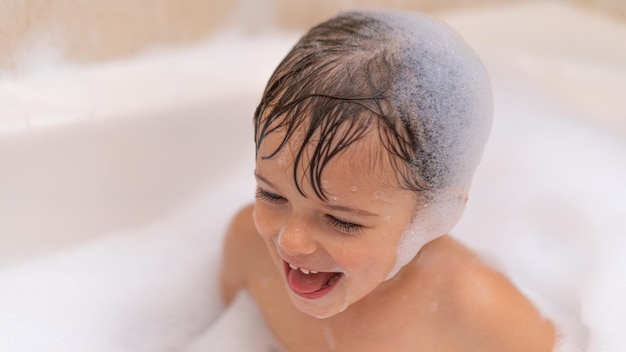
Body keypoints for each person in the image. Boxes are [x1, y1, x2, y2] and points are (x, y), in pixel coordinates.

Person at [220, 9, 555, 351]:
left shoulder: (481, 314)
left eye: (341, 220)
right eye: (272, 195)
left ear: (435, 213)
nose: (291, 242)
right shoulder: (247, 247)